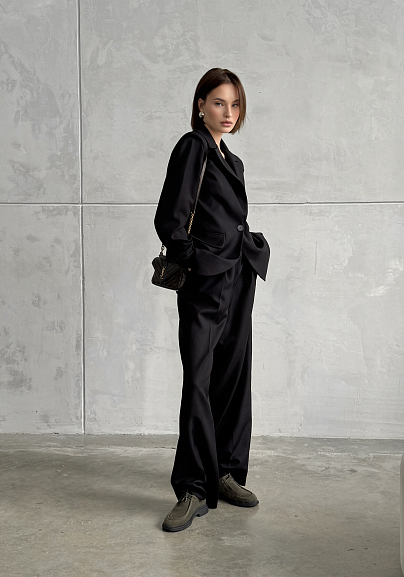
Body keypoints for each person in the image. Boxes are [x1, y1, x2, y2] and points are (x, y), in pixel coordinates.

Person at [154, 68, 270, 532]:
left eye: (235, 104)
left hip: (239, 276)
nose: (228, 112)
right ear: (201, 104)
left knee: (233, 377)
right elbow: (170, 219)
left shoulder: (232, 160)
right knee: (199, 381)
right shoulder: (193, 147)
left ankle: (224, 473)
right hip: (207, 281)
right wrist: (198, 264)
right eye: (219, 102)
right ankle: (192, 487)